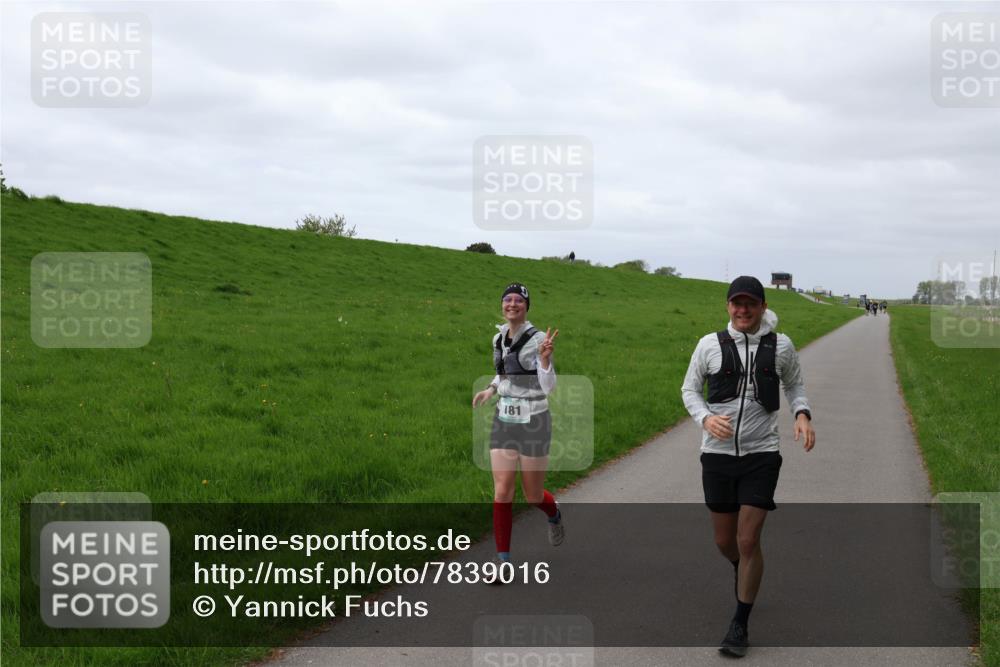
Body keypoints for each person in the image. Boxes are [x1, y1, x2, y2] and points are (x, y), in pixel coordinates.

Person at [681, 276, 816, 658]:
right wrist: (705, 418)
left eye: (750, 304)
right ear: (728, 307)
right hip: (717, 455)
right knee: (725, 542)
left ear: (762, 306)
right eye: (736, 304)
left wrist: (802, 414)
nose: (743, 310)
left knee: (747, 539)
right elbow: (689, 390)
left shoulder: (781, 346)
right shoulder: (709, 345)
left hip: (762, 454)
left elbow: (795, 385)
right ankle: (744, 570)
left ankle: (740, 621)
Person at [472, 283, 564, 581]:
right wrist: (490, 389)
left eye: (518, 300)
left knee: (533, 495)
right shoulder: (498, 338)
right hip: (505, 419)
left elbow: (549, 387)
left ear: (526, 306)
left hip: (535, 420)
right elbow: (503, 375)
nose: (512, 304)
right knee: (502, 490)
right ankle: (502, 562)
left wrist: (547, 359)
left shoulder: (538, 339)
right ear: (502, 305)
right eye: (507, 299)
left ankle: (553, 513)